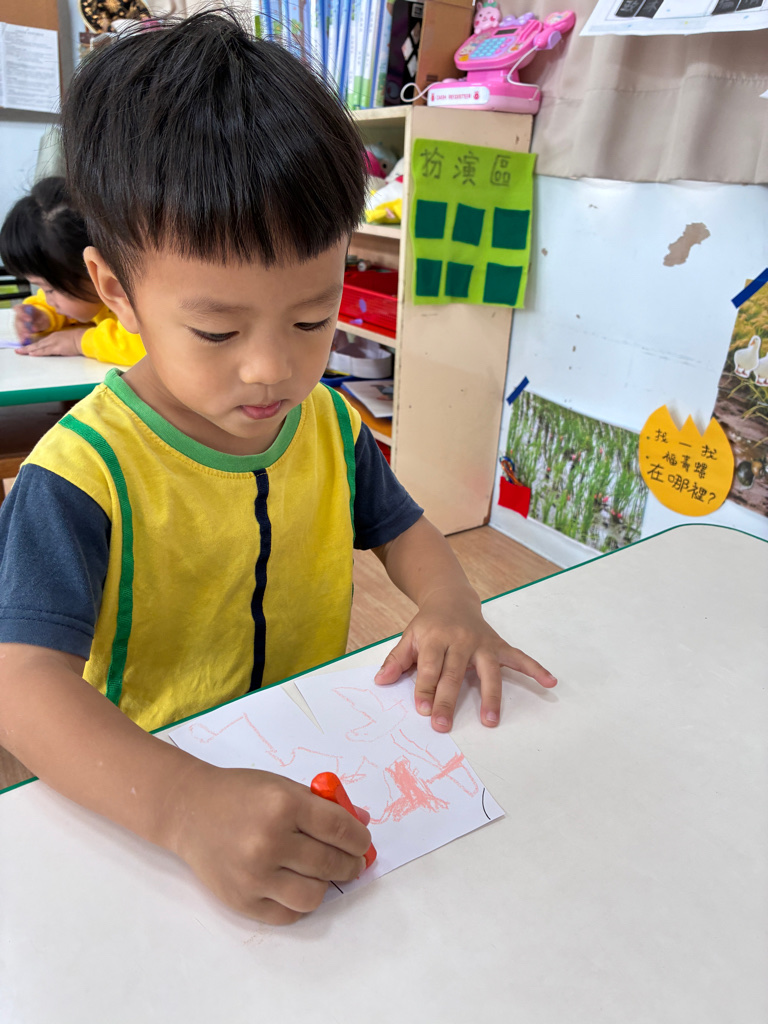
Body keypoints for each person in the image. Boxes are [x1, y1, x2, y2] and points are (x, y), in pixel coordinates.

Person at [0, 11, 556, 924]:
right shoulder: (82, 475)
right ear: (115, 292)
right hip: (146, 796)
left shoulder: (327, 424)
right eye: (216, 331)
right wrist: (180, 806)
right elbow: (21, 687)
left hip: (310, 744)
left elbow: (406, 531)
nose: (273, 369)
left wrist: (452, 604)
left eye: (311, 318)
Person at [0, 177, 145, 364]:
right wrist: (45, 314)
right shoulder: (96, 295)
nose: (49, 300)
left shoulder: (140, 300)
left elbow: (142, 346)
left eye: (49, 290)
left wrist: (78, 341)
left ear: (93, 269)